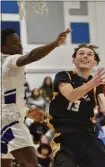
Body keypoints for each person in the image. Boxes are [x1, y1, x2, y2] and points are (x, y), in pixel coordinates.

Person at [48, 44, 105, 167]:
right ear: (73, 60)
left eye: (89, 54)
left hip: (88, 135)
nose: (85, 56)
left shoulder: (97, 86)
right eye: (81, 53)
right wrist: (91, 84)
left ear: (94, 62)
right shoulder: (64, 76)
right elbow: (71, 95)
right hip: (65, 135)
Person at [1, 28, 71, 167]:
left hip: (5, 120)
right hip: (11, 122)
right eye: (14, 43)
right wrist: (54, 44)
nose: (20, 45)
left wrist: (26, 112)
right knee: (30, 163)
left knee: (5, 164)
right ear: (3, 47)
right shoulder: (10, 60)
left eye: (20, 42)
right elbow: (31, 56)